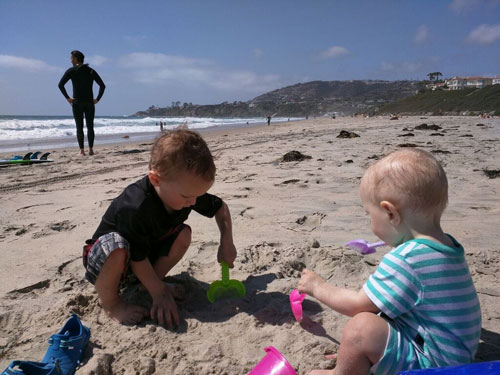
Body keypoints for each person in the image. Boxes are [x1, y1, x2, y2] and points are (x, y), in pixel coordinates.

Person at [298, 148, 481, 375]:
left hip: (433, 366)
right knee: (380, 315)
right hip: (456, 356)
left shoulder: (407, 258)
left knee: (361, 328)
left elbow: (357, 304)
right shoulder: (448, 246)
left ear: (391, 214)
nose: (371, 224)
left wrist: (318, 286)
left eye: (369, 214)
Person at [82, 128, 237, 327]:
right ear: (156, 180)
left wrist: (227, 241)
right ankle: (112, 304)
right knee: (116, 246)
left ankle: (148, 285)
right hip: (108, 262)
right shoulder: (135, 206)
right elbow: (136, 256)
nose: (192, 202)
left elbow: (221, 209)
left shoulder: (185, 191)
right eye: (187, 197)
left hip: (143, 255)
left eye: (197, 196)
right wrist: (160, 293)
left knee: (183, 234)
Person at [58, 50, 106, 156]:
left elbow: (60, 85)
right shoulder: (90, 71)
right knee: (90, 126)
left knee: (79, 127)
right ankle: (91, 150)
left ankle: (82, 151)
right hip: (89, 102)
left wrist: (68, 98)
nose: (70, 60)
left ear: (75, 59)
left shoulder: (71, 71)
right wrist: (97, 99)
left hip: (77, 102)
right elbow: (102, 85)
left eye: (71, 58)